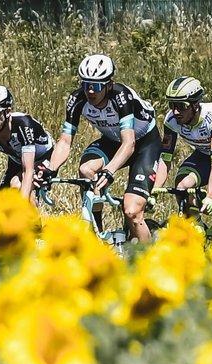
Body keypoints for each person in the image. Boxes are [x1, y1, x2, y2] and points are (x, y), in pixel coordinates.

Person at [40, 54, 160, 243]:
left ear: (109, 85)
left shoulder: (121, 96)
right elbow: (64, 141)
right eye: (85, 84)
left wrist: (109, 171)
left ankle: (148, 263)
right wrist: (51, 169)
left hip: (144, 143)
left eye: (95, 86)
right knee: (86, 170)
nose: (89, 91)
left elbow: (129, 144)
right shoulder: (77, 98)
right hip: (112, 140)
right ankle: (96, 234)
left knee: (132, 211)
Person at [154, 76, 212, 228]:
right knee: (182, 187)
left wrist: (211, 197)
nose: (175, 111)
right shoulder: (171, 120)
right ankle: (198, 228)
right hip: (205, 155)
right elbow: (165, 157)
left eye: (182, 105)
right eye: (172, 104)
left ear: (195, 105)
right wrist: (155, 190)